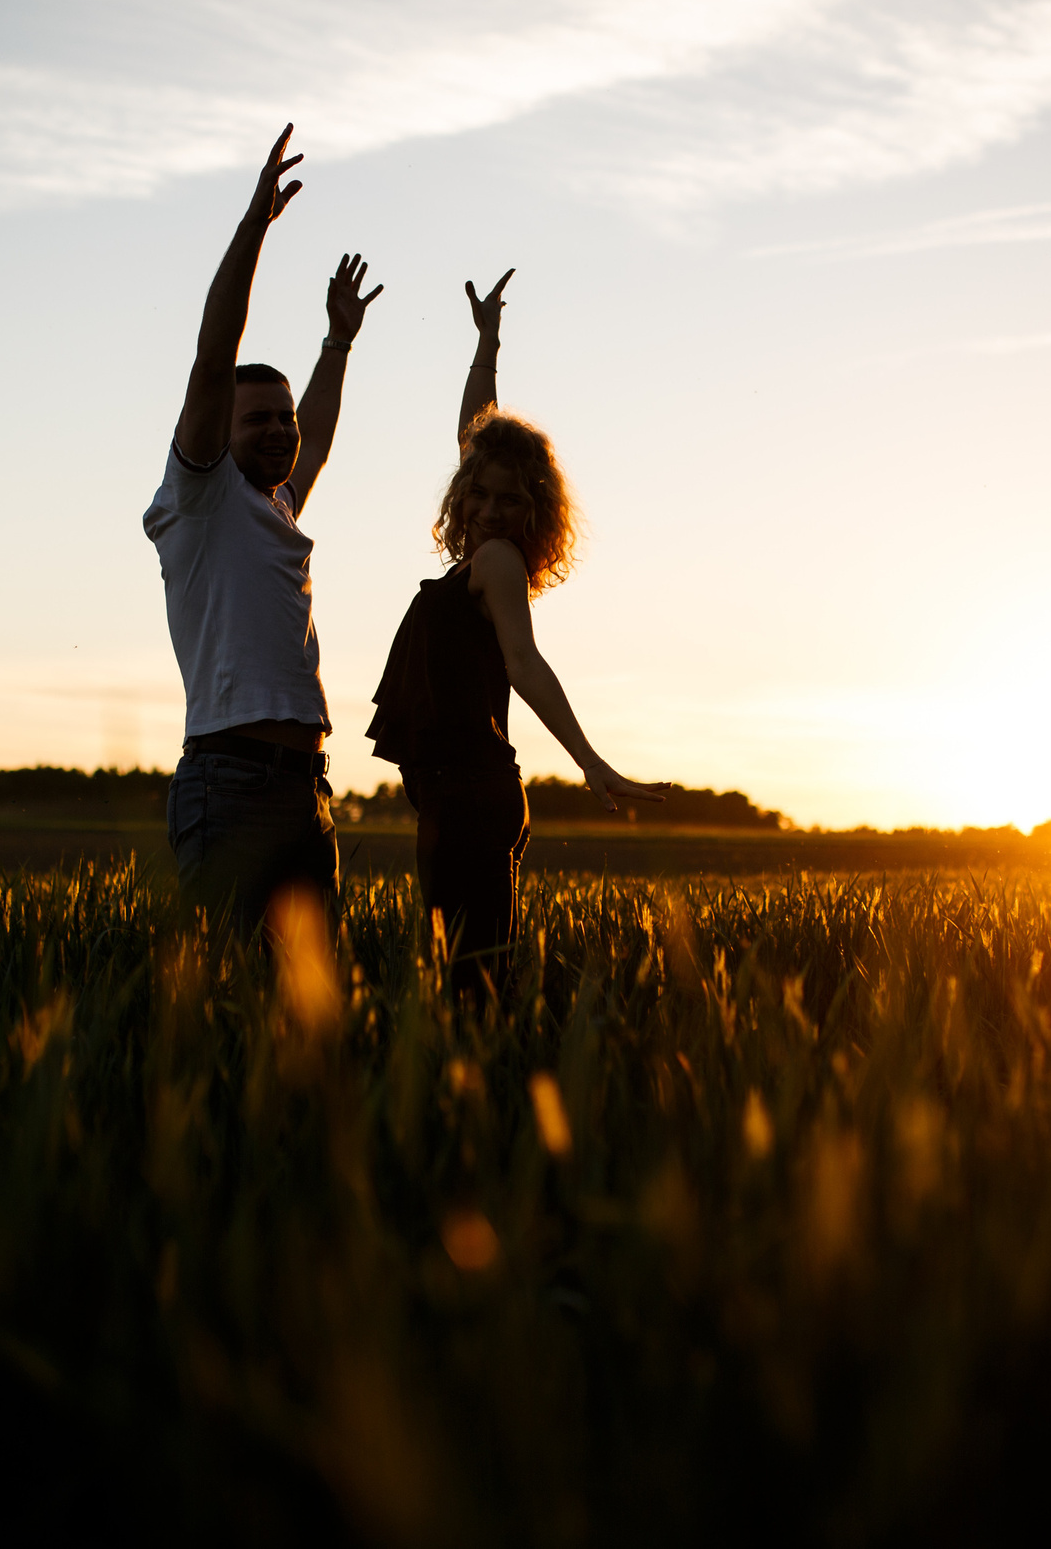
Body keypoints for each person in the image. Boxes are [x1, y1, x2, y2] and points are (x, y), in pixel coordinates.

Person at [367, 269, 663, 997]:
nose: (496, 510)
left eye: (512, 500)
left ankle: (481, 1100)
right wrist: (487, 345)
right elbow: (475, 431)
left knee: (467, 986)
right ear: (464, 497)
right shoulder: (479, 557)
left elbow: (526, 665)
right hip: (459, 795)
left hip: (470, 795)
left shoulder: (497, 562)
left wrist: (591, 761)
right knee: (463, 975)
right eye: (485, 495)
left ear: (531, 514)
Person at [144, 125, 383, 934]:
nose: (281, 431)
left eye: (282, 418)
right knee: (225, 1000)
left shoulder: (275, 505)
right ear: (219, 429)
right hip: (231, 783)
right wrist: (255, 230)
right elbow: (215, 356)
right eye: (259, 420)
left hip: (303, 788)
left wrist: (338, 342)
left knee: (302, 1017)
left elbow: (314, 426)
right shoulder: (201, 495)